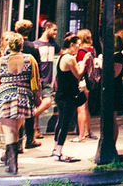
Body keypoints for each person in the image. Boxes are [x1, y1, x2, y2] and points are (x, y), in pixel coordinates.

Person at [0, 31, 41, 175]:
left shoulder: (1, 61)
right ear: (21, 45)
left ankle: (13, 165)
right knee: (16, 129)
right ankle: (10, 157)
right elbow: (37, 81)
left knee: (9, 131)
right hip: (24, 96)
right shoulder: (30, 59)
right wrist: (37, 97)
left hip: (5, 96)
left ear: (9, 46)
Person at [52, 34, 91, 162]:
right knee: (65, 123)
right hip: (68, 95)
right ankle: (59, 151)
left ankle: (55, 148)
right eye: (78, 45)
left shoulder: (62, 57)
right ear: (72, 45)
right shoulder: (69, 58)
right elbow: (78, 75)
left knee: (60, 121)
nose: (79, 47)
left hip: (61, 94)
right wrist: (84, 61)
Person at [15, 19, 42, 150]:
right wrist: (38, 90)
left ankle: (18, 142)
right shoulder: (33, 47)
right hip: (29, 83)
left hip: (15, 83)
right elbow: (37, 69)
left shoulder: (11, 48)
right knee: (29, 112)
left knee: (17, 113)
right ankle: (30, 139)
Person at [33, 21, 60, 139]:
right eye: (54, 30)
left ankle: (32, 121)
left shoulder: (53, 44)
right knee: (40, 103)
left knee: (45, 102)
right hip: (39, 78)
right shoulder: (35, 45)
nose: (55, 32)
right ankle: (34, 128)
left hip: (48, 78)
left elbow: (62, 53)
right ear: (47, 28)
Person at [73, 28, 96, 142]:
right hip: (90, 81)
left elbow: (78, 67)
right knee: (86, 107)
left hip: (82, 80)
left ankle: (81, 135)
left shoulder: (81, 51)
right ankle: (88, 130)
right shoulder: (92, 49)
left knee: (81, 108)